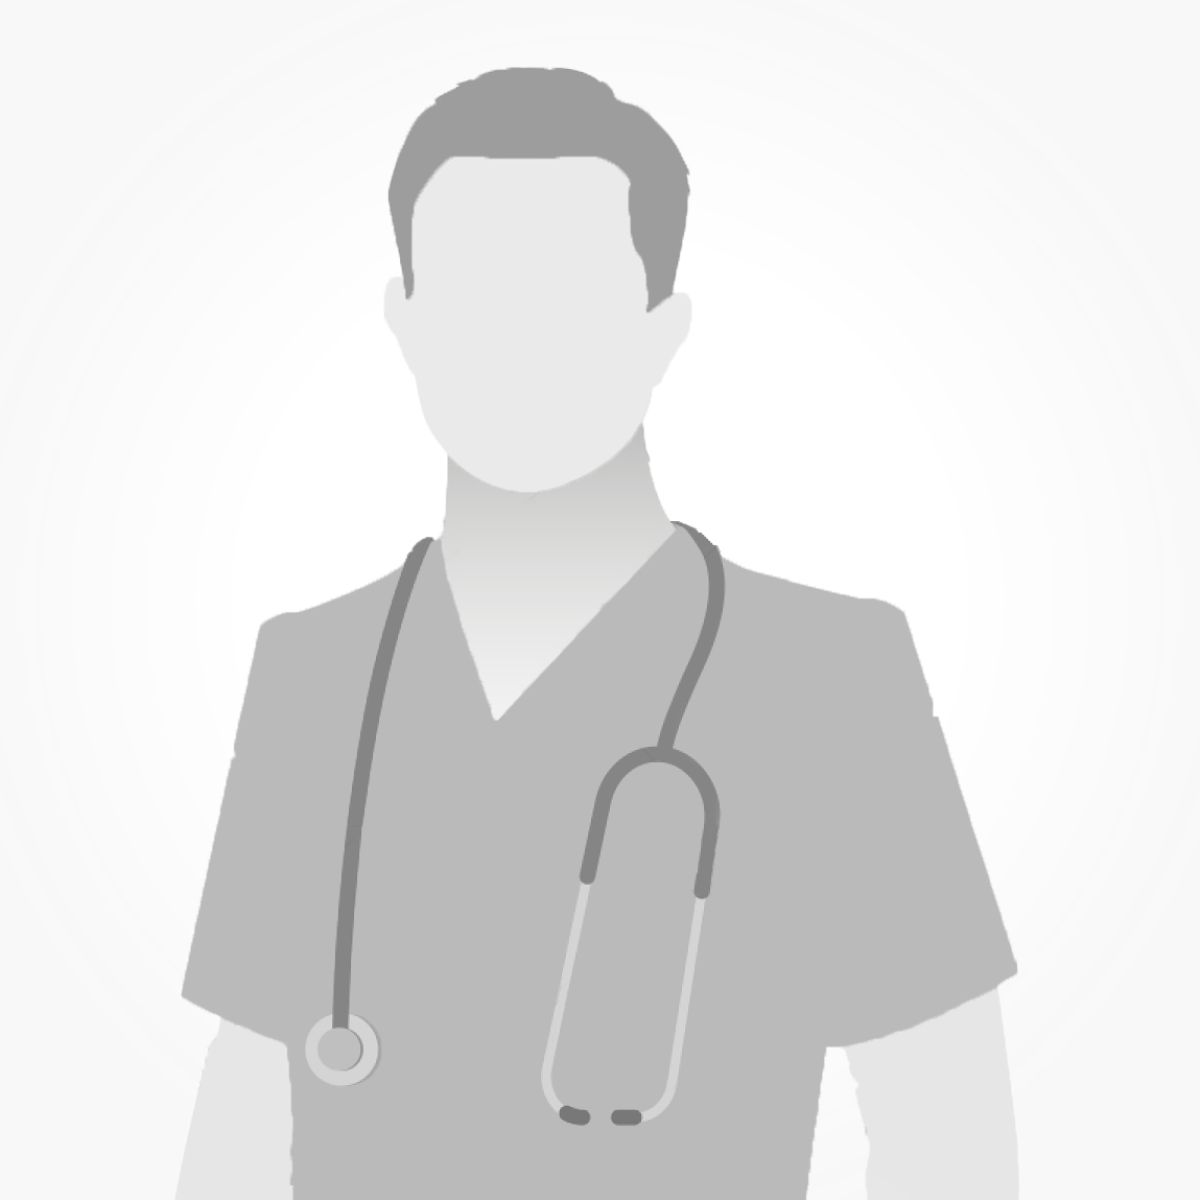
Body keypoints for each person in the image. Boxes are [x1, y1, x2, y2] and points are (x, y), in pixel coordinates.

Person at [176, 67, 1019, 1199]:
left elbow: (947, 1135)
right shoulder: (315, 674)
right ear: (405, 323)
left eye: (567, 295)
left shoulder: (832, 678)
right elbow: (245, 1105)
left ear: (662, 331)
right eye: (473, 293)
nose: (517, 345)